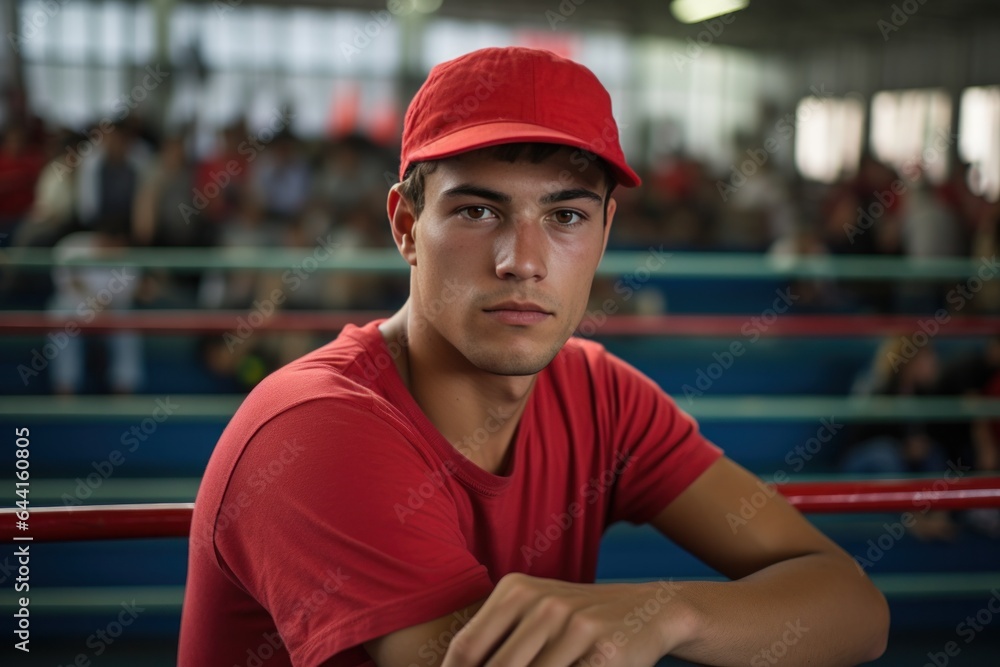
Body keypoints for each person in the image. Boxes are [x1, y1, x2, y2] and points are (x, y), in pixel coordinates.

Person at [179, 47, 888, 667]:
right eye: (477, 211)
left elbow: (854, 606)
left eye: (566, 216)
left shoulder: (599, 393)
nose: (523, 260)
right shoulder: (316, 429)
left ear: (605, 234)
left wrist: (670, 611)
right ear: (406, 226)